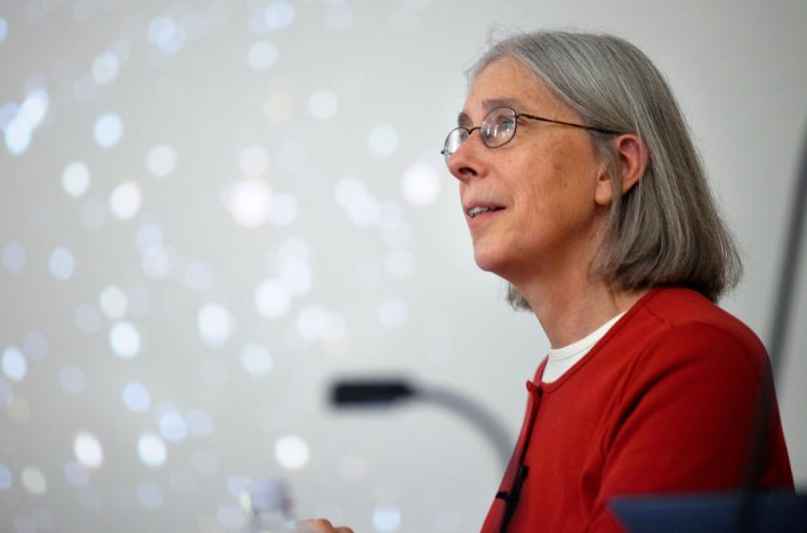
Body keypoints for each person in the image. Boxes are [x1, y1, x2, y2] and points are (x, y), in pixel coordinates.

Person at [303, 30, 794, 532]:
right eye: (464, 133)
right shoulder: (559, 372)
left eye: (502, 125)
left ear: (615, 168)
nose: (459, 163)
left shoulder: (694, 356)